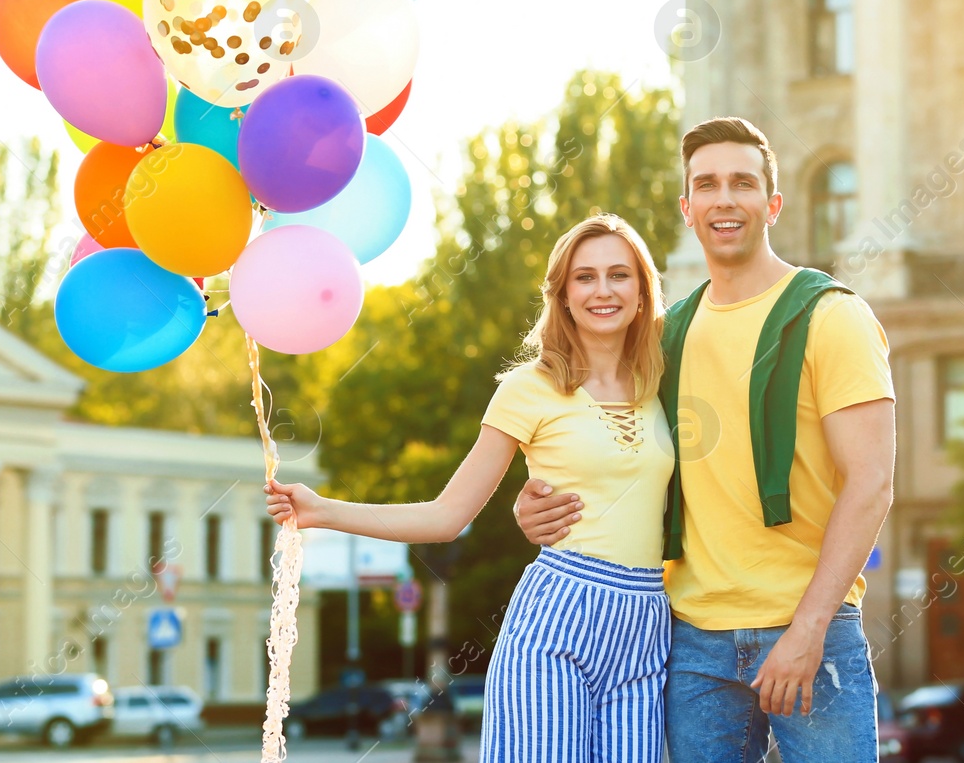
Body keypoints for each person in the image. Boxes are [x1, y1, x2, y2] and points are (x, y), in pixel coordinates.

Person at [514, 116, 896, 763]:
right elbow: (610, 455)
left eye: (743, 182)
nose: (725, 198)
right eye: (707, 184)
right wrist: (534, 505)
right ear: (687, 207)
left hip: (812, 632)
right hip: (692, 642)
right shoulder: (665, 338)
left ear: (772, 203)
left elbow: (873, 484)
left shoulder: (834, 316)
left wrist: (806, 631)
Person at [264, 213, 678, 762]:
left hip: (647, 625)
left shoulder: (663, 384)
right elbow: (446, 516)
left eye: (619, 275)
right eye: (585, 277)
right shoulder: (528, 388)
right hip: (558, 623)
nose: (603, 290)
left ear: (643, 290)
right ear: (563, 294)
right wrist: (322, 510)